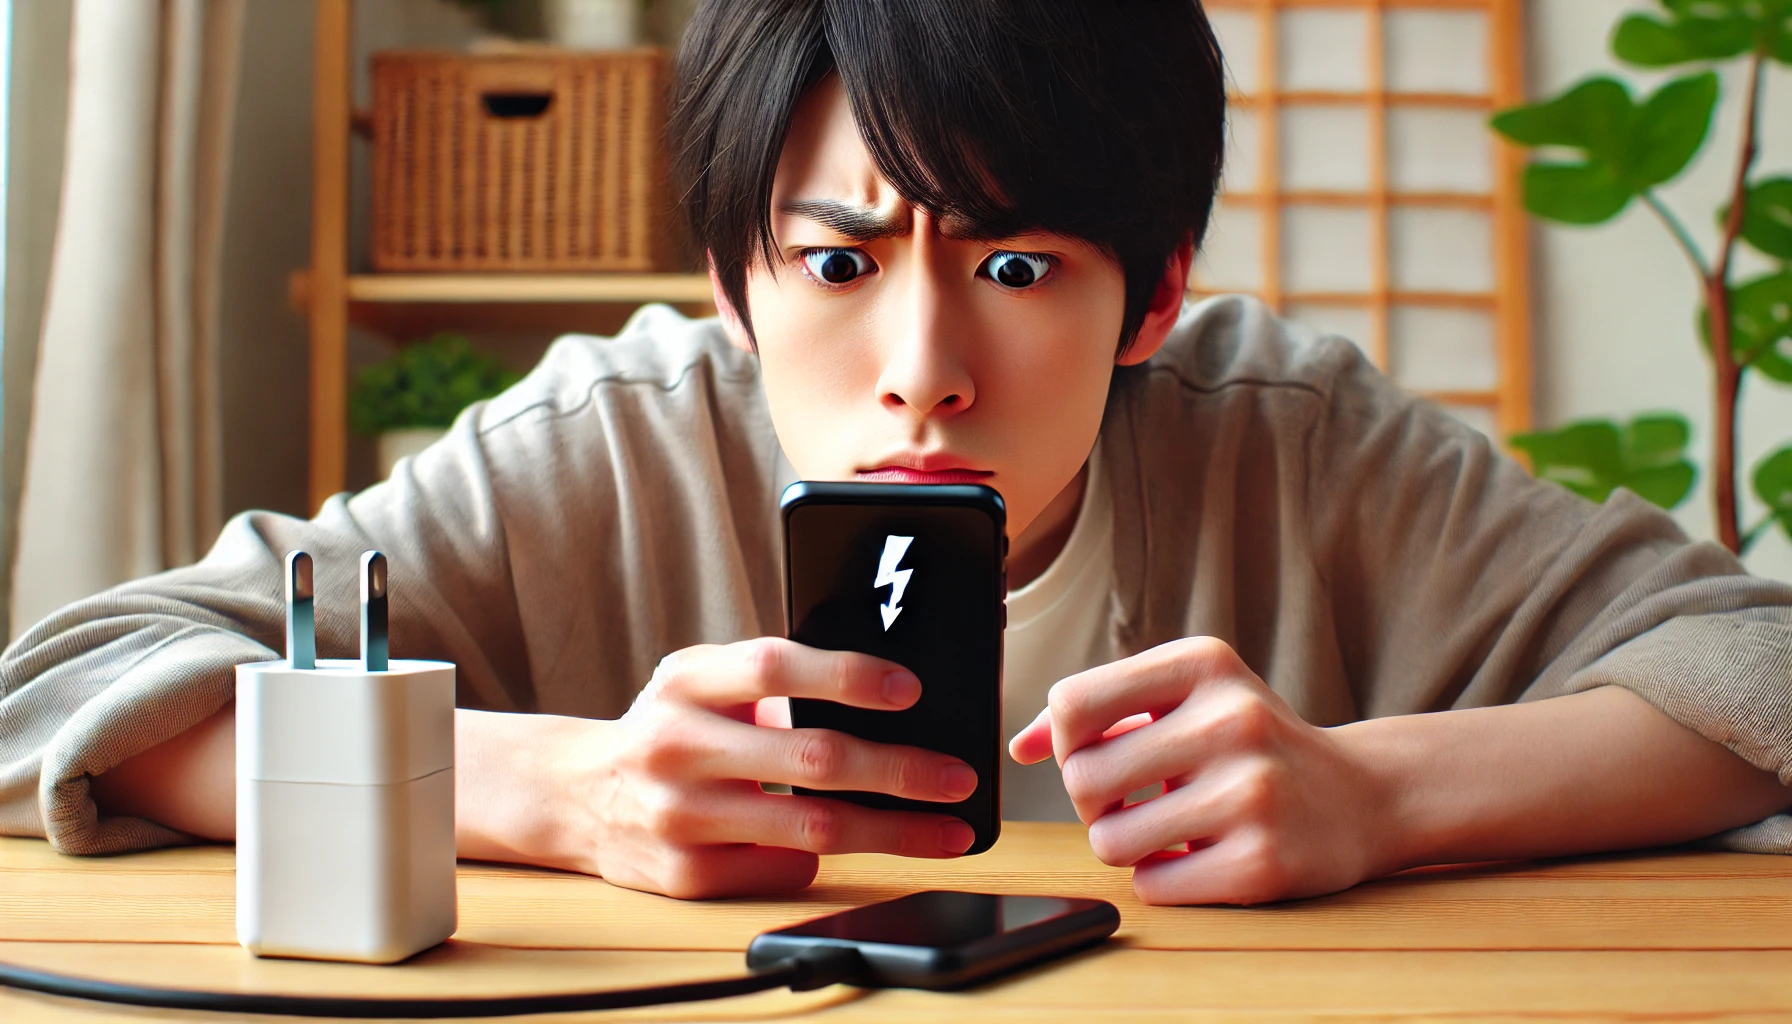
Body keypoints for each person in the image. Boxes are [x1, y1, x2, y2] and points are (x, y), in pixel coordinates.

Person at [4, 0, 1791, 906]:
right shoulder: (609, 444)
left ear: (1154, 293)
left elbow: (1759, 667)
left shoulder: (1290, 443)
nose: (925, 371)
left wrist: (1379, 795)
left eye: (1018, 266)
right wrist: (557, 790)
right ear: (731, 281)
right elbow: (67, 691)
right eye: (841, 262)